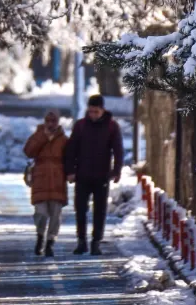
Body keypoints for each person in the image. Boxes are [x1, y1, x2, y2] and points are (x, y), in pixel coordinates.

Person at [63, 94, 124, 255]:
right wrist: (70, 171)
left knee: (100, 211)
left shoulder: (112, 127)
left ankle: (96, 242)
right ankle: (81, 241)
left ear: (103, 110)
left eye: (96, 112)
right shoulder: (81, 126)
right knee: (80, 209)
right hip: (82, 175)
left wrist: (116, 171)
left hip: (102, 176)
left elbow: (118, 150)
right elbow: (71, 149)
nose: (93, 115)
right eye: (90, 111)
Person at [23, 109, 68, 257]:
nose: (50, 124)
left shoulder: (63, 139)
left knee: (56, 215)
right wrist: (43, 136)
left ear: (58, 122)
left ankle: (50, 242)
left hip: (57, 180)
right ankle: (40, 235)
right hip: (41, 180)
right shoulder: (37, 135)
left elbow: (71, 157)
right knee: (40, 213)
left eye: (53, 121)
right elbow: (28, 151)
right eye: (47, 121)